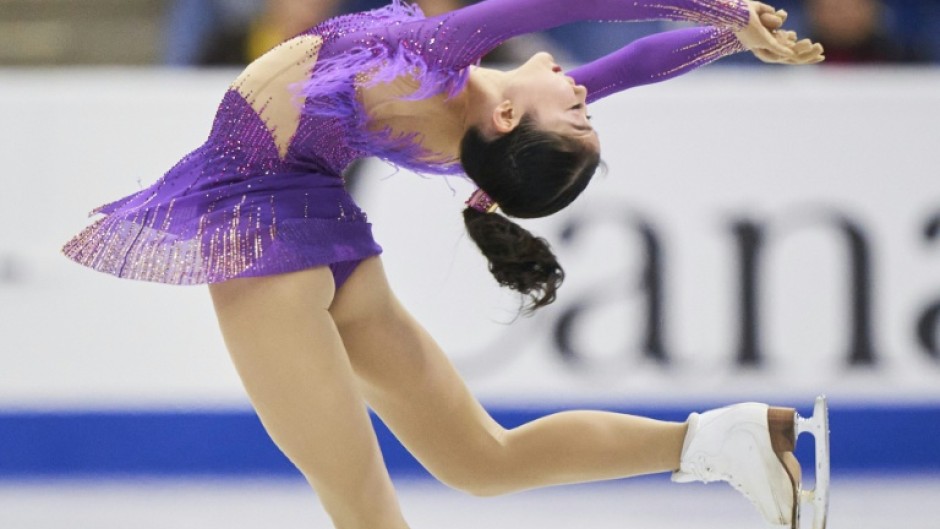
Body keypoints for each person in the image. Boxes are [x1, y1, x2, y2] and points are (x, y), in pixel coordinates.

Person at [64, 1, 826, 528]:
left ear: (508, 121)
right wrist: (731, 30)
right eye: (583, 106)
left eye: (574, 107)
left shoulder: (438, 64)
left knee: (362, 507)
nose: (580, 85)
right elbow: (633, 60)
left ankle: (723, 446)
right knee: (483, 460)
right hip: (320, 226)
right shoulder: (471, 117)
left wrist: (727, 21)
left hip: (266, 233)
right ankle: (722, 441)